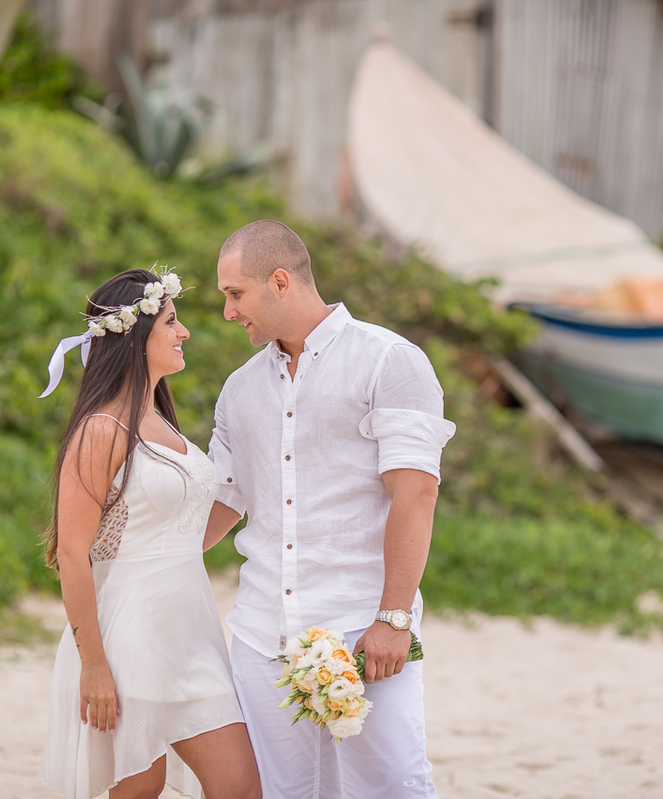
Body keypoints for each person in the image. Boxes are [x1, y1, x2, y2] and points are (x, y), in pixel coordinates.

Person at [204, 221, 456, 798]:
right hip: (262, 633)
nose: (227, 311)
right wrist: (140, 553)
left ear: (280, 281)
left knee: (392, 785)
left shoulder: (390, 361)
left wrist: (394, 617)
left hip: (364, 631)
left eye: (234, 293)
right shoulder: (239, 390)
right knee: (281, 792)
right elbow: (222, 500)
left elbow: (415, 493)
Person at [39, 268, 261, 799]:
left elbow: (186, 532)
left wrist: (262, 483)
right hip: (130, 637)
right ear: (136, 338)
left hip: (195, 636)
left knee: (242, 787)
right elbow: (72, 552)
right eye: (171, 321)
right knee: (138, 788)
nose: (183, 332)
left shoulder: (163, 421)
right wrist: (93, 665)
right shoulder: (100, 429)